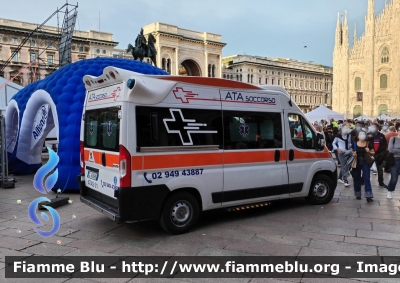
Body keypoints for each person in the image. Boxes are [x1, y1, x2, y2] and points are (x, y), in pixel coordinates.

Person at [351, 130, 374, 202]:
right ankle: (358, 194)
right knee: (357, 178)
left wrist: (369, 151)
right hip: (357, 162)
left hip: (365, 162)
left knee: (367, 178)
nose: (362, 135)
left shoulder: (368, 143)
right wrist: (352, 154)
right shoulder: (354, 143)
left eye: (363, 134)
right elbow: (351, 151)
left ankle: (368, 196)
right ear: (358, 136)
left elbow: (373, 153)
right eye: (360, 134)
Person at [368, 123, 388, 188]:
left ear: (378, 128)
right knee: (367, 168)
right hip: (371, 154)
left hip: (379, 154)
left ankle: (381, 182)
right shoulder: (369, 135)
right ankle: (363, 180)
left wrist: (382, 151)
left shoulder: (381, 135)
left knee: (380, 169)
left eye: (376, 127)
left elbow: (385, 144)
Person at [387, 132, 400, 199]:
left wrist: (397, 150)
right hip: (395, 160)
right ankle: (390, 190)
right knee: (394, 179)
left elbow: (394, 150)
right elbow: (391, 150)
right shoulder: (393, 139)